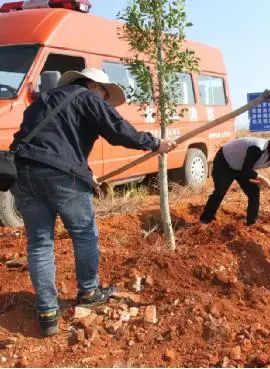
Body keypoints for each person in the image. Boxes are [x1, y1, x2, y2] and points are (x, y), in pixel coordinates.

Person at [10, 68, 177, 336]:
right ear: (93, 85)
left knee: (40, 242)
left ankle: (47, 312)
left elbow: (52, 143)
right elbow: (119, 131)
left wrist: (86, 173)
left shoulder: (45, 99)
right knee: (84, 234)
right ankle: (89, 291)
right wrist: (155, 143)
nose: (105, 99)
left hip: (24, 174)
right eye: (105, 93)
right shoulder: (88, 98)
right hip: (60, 177)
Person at [200, 132, 270, 225]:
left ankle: (251, 223)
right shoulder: (257, 148)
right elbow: (246, 170)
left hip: (242, 167)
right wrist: (262, 179)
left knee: (254, 192)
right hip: (225, 162)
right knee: (220, 192)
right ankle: (204, 220)